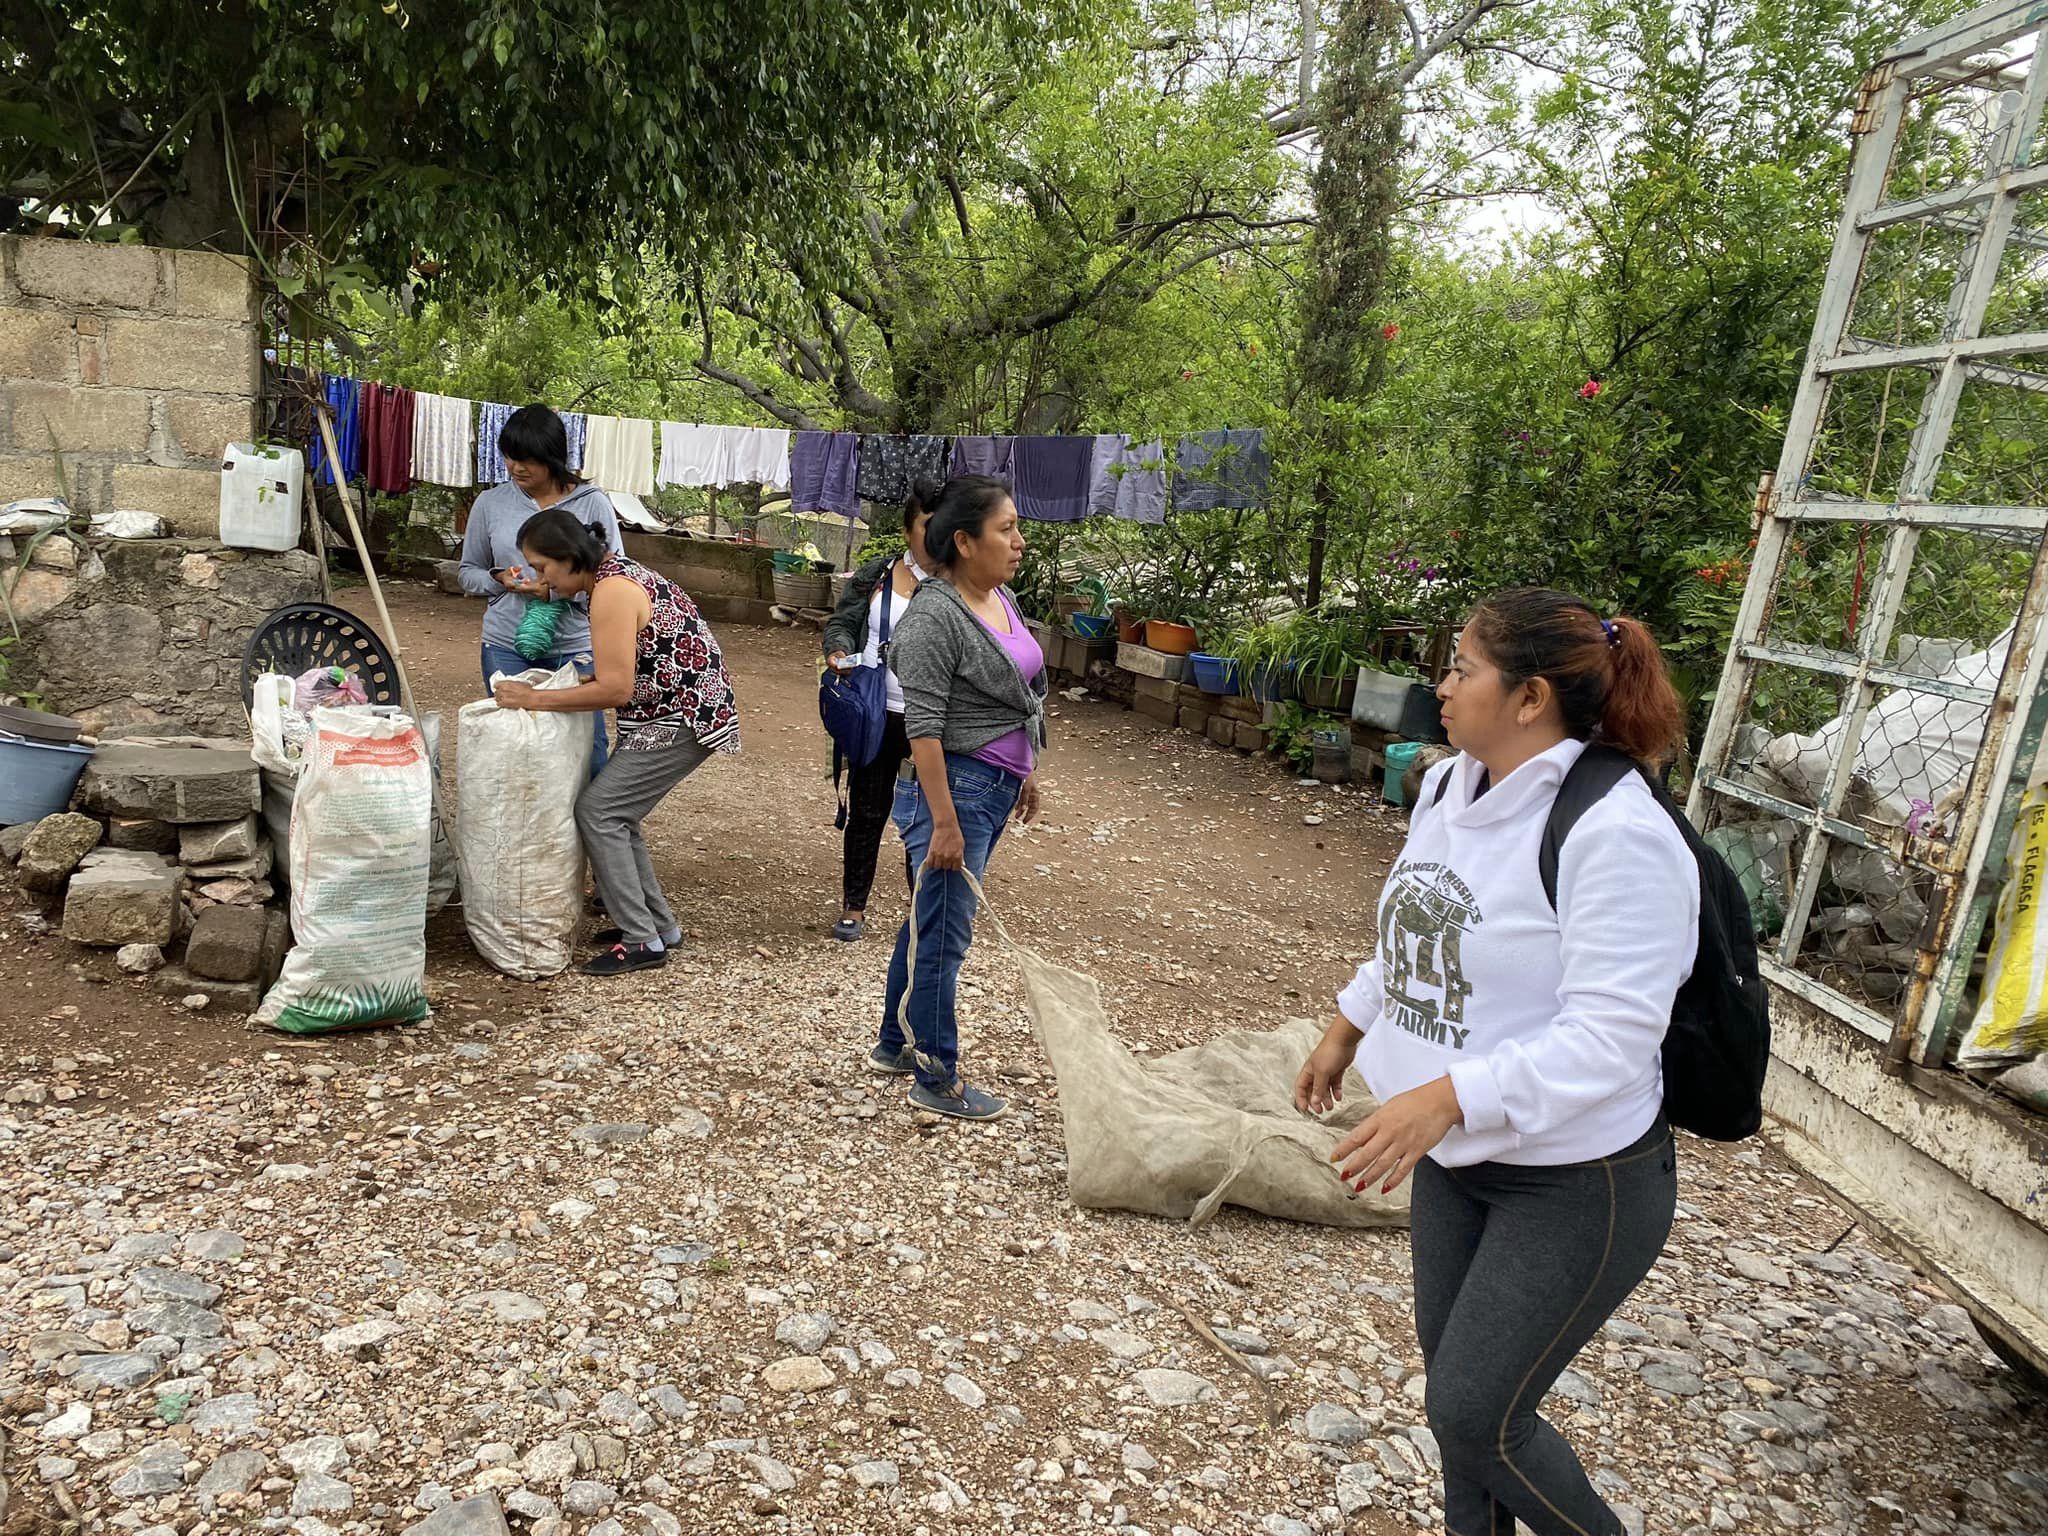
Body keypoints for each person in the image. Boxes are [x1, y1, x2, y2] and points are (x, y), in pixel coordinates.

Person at [1294, 588, 1696, 1536]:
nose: (1440, 685)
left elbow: (1614, 1037)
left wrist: (1447, 1094)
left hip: (1575, 1179)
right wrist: (1349, 1026)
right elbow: (1411, 929)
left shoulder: (1618, 834)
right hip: (1461, 1162)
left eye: (1463, 668)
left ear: (1530, 699)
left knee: (1480, 1413)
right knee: (1461, 1413)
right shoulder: (1447, 786)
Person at [491, 508, 740, 977]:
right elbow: (621, 667)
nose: (539, 578)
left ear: (569, 558)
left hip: (682, 718)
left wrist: (533, 699)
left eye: (543, 568)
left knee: (599, 812)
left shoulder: (612, 591)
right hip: (679, 712)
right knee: (619, 815)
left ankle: (641, 940)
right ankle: (659, 928)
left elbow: (614, 689)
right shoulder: (612, 576)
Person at [874, 476, 1046, 1120]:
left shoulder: (999, 597)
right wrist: (944, 822)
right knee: (945, 934)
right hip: (953, 792)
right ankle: (936, 1075)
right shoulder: (934, 617)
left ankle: (895, 1044)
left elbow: (1018, 690)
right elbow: (922, 727)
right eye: (1007, 529)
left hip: (993, 786)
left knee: (930, 919)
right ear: (966, 542)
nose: (1019, 541)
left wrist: (1026, 768)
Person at [459, 405, 624, 777]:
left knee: (586, 751)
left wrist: (561, 593)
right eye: (510, 457)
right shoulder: (491, 504)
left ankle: (585, 832)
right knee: (517, 749)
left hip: (576, 645)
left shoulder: (591, 502)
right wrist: (498, 580)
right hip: (505, 646)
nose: (517, 467)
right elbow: (467, 572)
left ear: (552, 457)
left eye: (528, 459)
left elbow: (615, 579)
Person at [821, 482, 938, 942]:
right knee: (868, 808)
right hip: (875, 709)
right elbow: (843, 624)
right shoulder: (878, 573)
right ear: (909, 529)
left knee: (927, 815)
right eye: (929, 525)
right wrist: (838, 652)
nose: (939, 534)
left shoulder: (962, 583)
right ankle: (854, 905)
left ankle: (922, 911)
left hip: (931, 717)